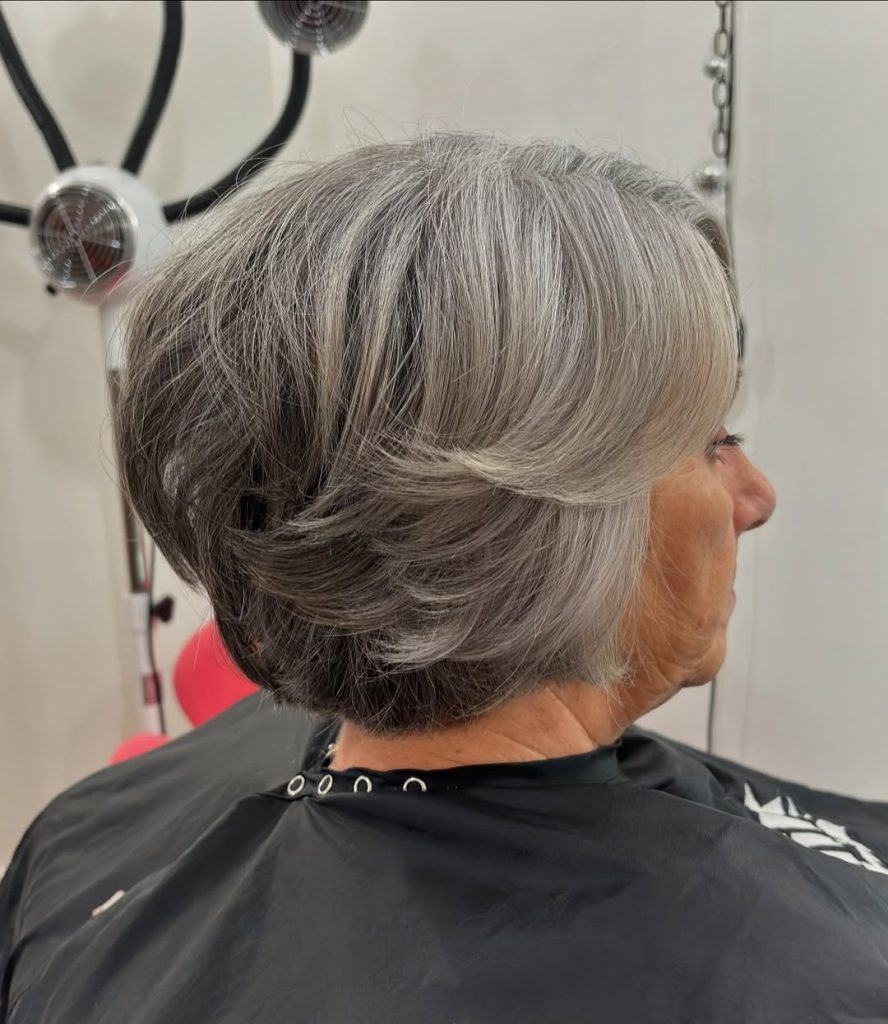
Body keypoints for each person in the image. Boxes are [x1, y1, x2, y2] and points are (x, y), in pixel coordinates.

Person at [2, 133, 887, 1024]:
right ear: (543, 526)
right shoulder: (823, 987)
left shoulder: (77, 835)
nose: (757, 497)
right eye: (713, 444)